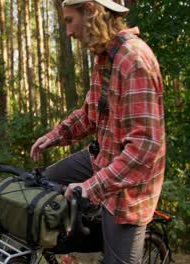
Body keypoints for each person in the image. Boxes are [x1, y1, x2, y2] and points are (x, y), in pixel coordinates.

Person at [30, 0, 165, 263]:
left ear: (91, 11)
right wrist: (54, 136)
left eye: (70, 20)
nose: (67, 31)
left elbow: (144, 147)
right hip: (101, 159)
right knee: (40, 186)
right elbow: (90, 114)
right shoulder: (105, 58)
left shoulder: (134, 59)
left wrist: (91, 188)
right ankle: (67, 247)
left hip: (129, 191)